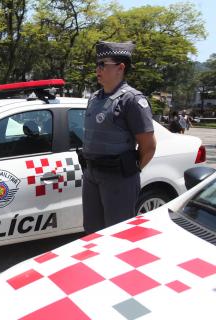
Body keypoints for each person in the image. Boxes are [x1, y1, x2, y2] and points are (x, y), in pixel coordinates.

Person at [80, 41, 157, 234]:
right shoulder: (94, 98)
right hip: (91, 175)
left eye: (102, 64)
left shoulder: (132, 100)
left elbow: (149, 146)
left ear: (120, 68)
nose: (97, 69)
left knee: (116, 234)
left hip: (118, 178)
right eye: (97, 65)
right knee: (92, 232)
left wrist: (129, 171)